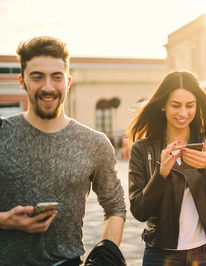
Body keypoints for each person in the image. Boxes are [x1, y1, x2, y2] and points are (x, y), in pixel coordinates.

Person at [0, 36, 126, 265]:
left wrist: (106, 258)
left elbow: (115, 206)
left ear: (67, 81)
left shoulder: (94, 143)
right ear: (22, 81)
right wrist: (4, 220)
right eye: (37, 77)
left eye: (56, 77)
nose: (48, 87)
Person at [127, 70, 206, 265]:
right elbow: (139, 211)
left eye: (190, 105)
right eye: (176, 105)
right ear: (163, 105)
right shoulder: (143, 149)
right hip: (160, 254)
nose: (183, 113)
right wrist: (160, 174)